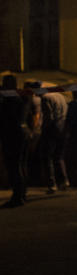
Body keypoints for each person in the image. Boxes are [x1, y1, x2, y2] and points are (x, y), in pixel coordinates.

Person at [34, 84, 70, 193]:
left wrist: (41, 131)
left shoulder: (45, 98)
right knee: (59, 157)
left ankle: (52, 184)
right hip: (64, 128)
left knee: (47, 157)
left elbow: (49, 117)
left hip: (52, 130)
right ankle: (64, 182)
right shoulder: (59, 95)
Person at [0, 74, 29, 207]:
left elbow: (7, 118)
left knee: (14, 166)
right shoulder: (20, 97)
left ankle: (17, 196)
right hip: (21, 133)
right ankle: (21, 194)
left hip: (12, 134)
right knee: (19, 165)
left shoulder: (9, 98)